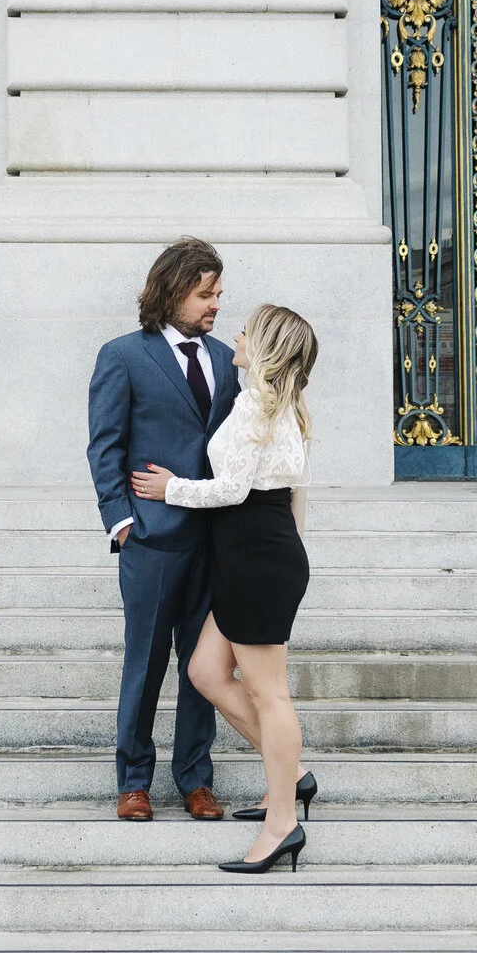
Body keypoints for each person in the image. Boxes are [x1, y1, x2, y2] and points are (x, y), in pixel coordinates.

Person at [131, 302, 318, 873]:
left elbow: (233, 490)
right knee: (206, 672)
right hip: (257, 555)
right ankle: (290, 774)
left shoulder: (258, 408)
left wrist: (171, 490)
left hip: (257, 557)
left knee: (270, 693)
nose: (234, 332)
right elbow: (295, 498)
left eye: (246, 329)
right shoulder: (280, 408)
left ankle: (282, 824)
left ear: (261, 347)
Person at [85, 237, 241, 822]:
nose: (215, 305)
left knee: (205, 668)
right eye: (206, 293)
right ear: (174, 290)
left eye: (219, 293)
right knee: (145, 664)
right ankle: (133, 781)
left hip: (213, 539)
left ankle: (195, 780)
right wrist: (121, 521)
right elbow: (105, 446)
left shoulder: (228, 360)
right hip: (150, 539)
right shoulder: (123, 355)